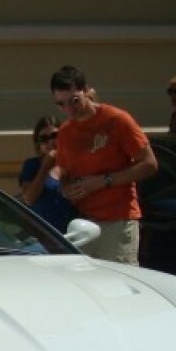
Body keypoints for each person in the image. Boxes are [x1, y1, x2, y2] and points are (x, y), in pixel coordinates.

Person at [51, 65, 158, 264]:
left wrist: (103, 181)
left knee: (119, 286)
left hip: (118, 220)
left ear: (86, 91)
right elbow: (64, 172)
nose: (68, 109)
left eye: (74, 101)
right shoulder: (65, 132)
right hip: (83, 224)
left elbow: (149, 164)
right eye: (61, 104)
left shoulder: (116, 120)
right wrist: (66, 188)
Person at [17, 116, 76, 233]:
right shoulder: (32, 165)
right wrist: (45, 168)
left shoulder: (72, 163)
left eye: (54, 136)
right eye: (44, 139)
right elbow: (28, 198)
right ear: (38, 144)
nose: (50, 142)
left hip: (69, 232)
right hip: (43, 234)